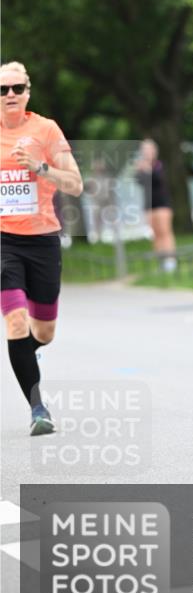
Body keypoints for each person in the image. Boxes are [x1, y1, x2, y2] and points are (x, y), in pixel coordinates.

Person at [0, 61, 83, 435]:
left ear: (28, 92)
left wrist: (40, 168)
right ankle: (38, 410)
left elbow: (76, 185)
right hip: (4, 241)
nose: (10, 95)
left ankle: (23, 351)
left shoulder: (46, 130)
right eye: (3, 90)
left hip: (43, 239)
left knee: (44, 331)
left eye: (17, 88)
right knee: (16, 322)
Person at [134, 139, 177, 272]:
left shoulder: (159, 165)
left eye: (149, 150)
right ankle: (161, 261)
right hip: (149, 205)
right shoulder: (140, 166)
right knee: (156, 234)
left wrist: (147, 170)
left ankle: (171, 261)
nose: (147, 153)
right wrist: (140, 170)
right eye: (144, 150)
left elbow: (158, 180)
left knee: (165, 232)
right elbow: (139, 182)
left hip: (162, 204)